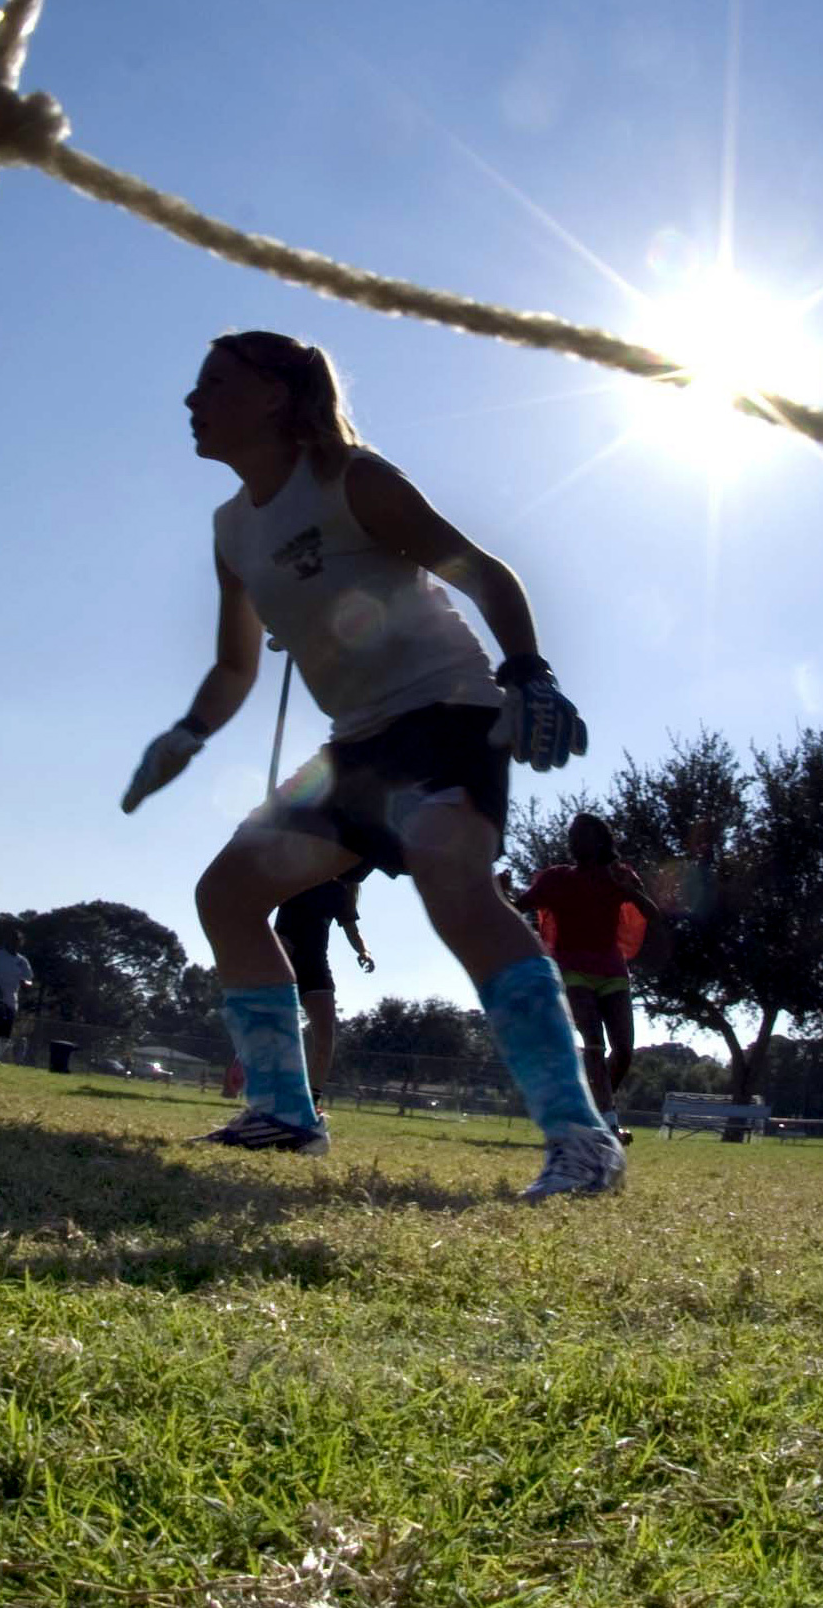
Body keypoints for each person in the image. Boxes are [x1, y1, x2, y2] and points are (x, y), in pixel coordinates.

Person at [121, 329, 624, 1201]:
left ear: (276, 395)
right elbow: (236, 664)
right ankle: (283, 1114)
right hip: (354, 742)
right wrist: (187, 734)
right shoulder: (230, 529)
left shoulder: (353, 478)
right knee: (227, 896)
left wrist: (529, 673)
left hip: (447, 713)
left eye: (212, 384)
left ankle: (583, 1141)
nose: (190, 401)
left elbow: (482, 571)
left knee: (455, 888)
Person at [512, 813, 665, 1144]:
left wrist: (629, 891)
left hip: (612, 971)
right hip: (571, 969)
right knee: (594, 1043)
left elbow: (652, 914)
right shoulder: (556, 879)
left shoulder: (618, 875)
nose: (574, 841)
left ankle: (592, 1110)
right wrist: (501, 890)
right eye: (572, 836)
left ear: (600, 841)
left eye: (582, 835)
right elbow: (516, 906)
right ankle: (608, 1125)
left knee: (623, 1050)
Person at [226, 871, 373, 1099]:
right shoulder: (296, 875)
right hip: (282, 959)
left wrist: (364, 951)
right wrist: (270, 942)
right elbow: (256, 907)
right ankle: (238, 1075)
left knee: (325, 1037)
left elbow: (352, 930)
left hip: (315, 968)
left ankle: (312, 1101)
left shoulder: (339, 892)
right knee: (266, 1026)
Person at [0, 928, 34, 1065]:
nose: (13, 944)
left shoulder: (22, 961)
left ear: (20, 943)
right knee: (0, 1023)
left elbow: (29, 979)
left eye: (17, 941)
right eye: (11, 941)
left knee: (7, 1029)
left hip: (11, 996)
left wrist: (25, 983)